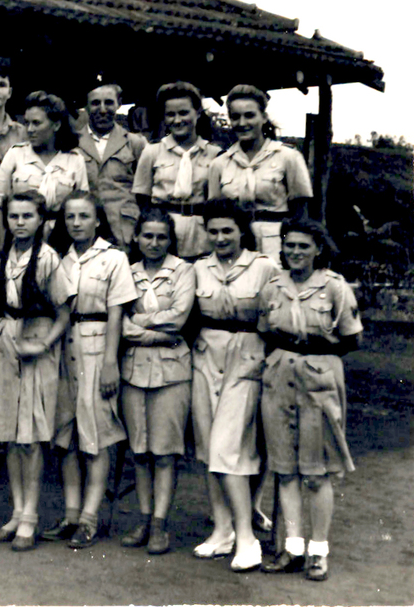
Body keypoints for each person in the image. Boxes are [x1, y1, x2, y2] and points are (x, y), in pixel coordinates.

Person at [258, 219, 361, 582]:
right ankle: (292, 548)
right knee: (284, 468)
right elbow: (265, 330)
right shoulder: (273, 286)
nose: (296, 252)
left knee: (316, 473)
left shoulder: (334, 286)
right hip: (279, 376)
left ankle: (318, 551)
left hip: (319, 376)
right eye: (290, 245)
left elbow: (351, 338)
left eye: (304, 246)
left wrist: (315, 353)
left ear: (318, 249)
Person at [43, 193, 137, 549]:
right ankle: (70, 515)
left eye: (84, 216)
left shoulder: (113, 258)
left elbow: (116, 313)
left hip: (98, 347)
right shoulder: (59, 259)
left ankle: (89, 517)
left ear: (98, 220)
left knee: (96, 433)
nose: (77, 223)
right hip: (64, 347)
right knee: (66, 435)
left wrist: (110, 361)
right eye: (70, 217)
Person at [190, 199, 279, 572]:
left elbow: (277, 317)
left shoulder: (263, 267)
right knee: (210, 446)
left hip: (248, 354)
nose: (221, 237)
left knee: (229, 446)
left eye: (228, 230)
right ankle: (222, 529)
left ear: (242, 231)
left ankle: (247, 538)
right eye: (213, 231)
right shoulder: (197, 268)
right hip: (206, 355)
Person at [0, 190, 71, 552]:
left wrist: (44, 344)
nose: (19, 222)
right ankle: (17, 511)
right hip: (8, 338)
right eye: (14, 216)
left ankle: (31, 517)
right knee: (10, 432)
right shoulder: (6, 254)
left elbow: (64, 313)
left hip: (37, 340)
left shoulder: (49, 258)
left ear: (41, 221)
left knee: (32, 434)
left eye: (27, 216)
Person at [117, 208, 195, 554]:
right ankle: (144, 519)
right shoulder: (125, 271)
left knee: (165, 452)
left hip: (171, 372)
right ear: (136, 237)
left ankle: (160, 524)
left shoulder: (183, 270)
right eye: (147, 236)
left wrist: (140, 327)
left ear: (170, 240)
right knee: (140, 451)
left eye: (162, 237)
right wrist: (155, 332)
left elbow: (178, 319)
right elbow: (118, 320)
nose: (154, 243)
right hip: (133, 370)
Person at [208, 85, 312, 258]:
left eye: (249, 115)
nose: (242, 123)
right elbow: (215, 214)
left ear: (263, 117)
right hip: (235, 245)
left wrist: (292, 250)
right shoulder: (219, 163)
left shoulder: (288, 157)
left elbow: (300, 215)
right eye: (235, 117)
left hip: (276, 244)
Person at [132, 82, 221, 260]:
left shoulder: (215, 155)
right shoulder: (152, 152)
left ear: (198, 112)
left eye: (183, 113)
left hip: (200, 237)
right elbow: (142, 199)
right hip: (163, 236)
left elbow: (216, 204)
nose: (177, 120)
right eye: (170, 114)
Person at [0, 91, 88, 250]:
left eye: (36, 123)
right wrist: (2, 242)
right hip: (20, 238)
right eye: (27, 123)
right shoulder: (16, 154)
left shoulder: (74, 159)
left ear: (56, 125)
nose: (29, 129)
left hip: (62, 240)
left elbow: (83, 205)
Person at [76, 83, 147, 251]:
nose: (102, 109)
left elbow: (145, 195)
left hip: (126, 232)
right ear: (86, 106)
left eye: (108, 102)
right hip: (86, 231)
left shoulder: (135, 143)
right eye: (95, 103)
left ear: (118, 103)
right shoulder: (72, 143)